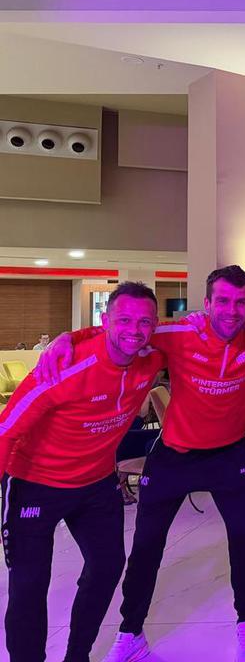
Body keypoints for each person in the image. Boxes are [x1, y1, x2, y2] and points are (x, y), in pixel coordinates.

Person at [38, 265, 245, 662]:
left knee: (243, 542)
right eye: (223, 301)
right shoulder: (180, 333)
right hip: (174, 456)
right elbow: (123, 332)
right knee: (146, 546)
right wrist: (69, 337)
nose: (232, 310)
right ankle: (131, 632)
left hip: (229, 457)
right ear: (206, 304)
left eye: (241, 302)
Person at [0, 282, 165, 662]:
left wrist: (72, 333)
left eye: (145, 322)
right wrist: (69, 340)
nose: (135, 330)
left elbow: (208, 328)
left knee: (107, 566)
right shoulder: (64, 367)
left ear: (155, 325)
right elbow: (7, 430)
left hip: (96, 485)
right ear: (106, 321)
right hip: (34, 484)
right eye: (124, 320)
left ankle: (78, 655)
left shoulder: (152, 357)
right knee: (29, 584)